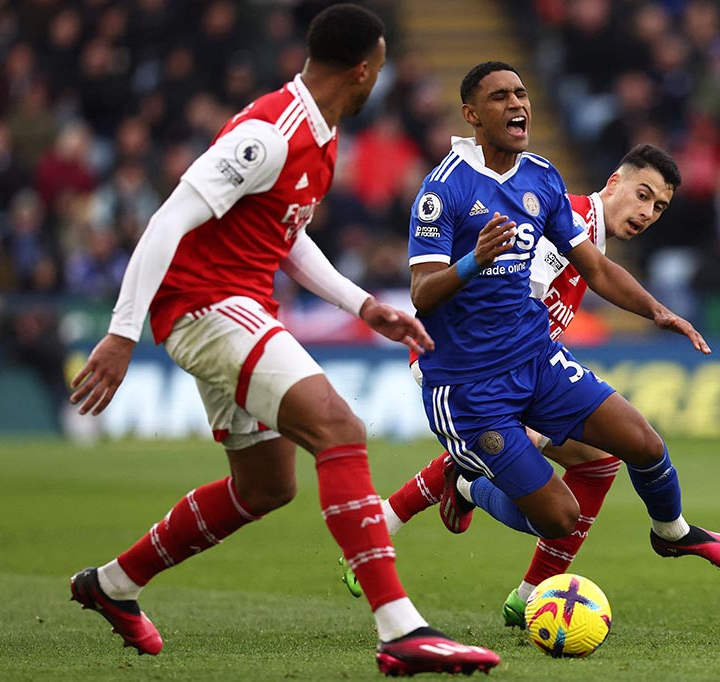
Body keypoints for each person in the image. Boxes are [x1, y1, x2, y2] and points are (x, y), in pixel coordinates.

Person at [66, 6, 500, 676]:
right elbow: (169, 217)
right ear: (362, 69)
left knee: (265, 487)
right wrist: (122, 335)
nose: (377, 83)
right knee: (340, 428)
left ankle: (115, 585)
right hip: (206, 305)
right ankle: (400, 629)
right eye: (378, 70)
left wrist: (362, 304)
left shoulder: (321, 136)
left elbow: (286, 236)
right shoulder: (273, 131)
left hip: (235, 304)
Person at [386, 61, 720, 618]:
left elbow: (596, 274)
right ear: (472, 114)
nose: (518, 105)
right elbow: (426, 294)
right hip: (466, 375)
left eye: (523, 94)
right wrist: (475, 260)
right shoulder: (443, 192)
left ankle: (659, 537)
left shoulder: (542, 180)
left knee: (638, 446)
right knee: (556, 511)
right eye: (644, 196)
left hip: (533, 362)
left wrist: (658, 312)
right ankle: (466, 486)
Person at [341, 144, 720, 630]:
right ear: (613, 183)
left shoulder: (589, 238)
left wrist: (656, 312)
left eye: (659, 206)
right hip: (474, 365)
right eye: (642, 195)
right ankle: (469, 512)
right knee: (556, 464)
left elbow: (585, 282)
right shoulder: (567, 218)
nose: (646, 213)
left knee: (599, 463)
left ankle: (513, 586)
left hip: (515, 367)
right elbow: (517, 290)